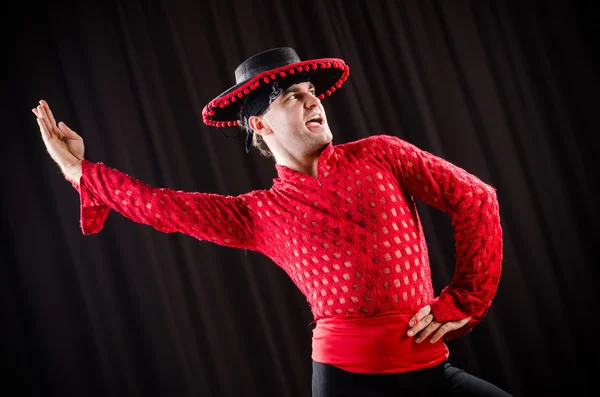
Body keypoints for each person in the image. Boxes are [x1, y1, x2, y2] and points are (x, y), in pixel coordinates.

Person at [33, 47, 512, 397]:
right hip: (347, 385)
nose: (313, 101)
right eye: (291, 96)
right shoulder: (257, 214)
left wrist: (467, 297)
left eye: (312, 92)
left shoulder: (382, 154)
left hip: (432, 372)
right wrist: (75, 169)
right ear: (259, 124)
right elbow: (159, 205)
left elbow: (476, 197)